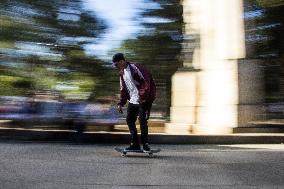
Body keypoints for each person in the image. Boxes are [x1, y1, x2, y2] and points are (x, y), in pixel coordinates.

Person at [112, 53, 156, 152]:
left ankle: (145, 145)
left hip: (144, 100)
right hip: (133, 100)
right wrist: (121, 103)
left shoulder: (135, 67)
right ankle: (135, 144)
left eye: (116, 64)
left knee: (142, 121)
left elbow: (146, 81)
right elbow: (123, 89)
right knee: (129, 120)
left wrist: (143, 96)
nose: (115, 66)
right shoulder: (122, 73)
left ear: (121, 61)